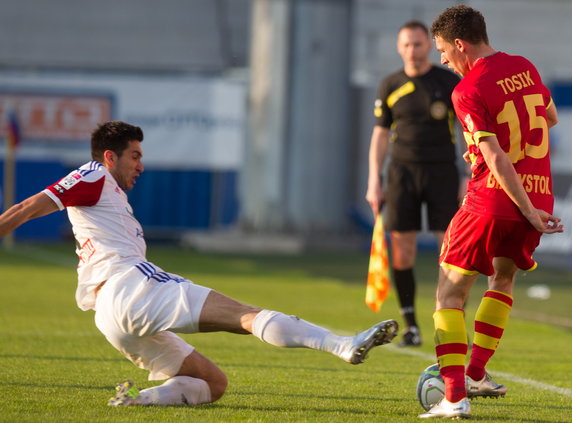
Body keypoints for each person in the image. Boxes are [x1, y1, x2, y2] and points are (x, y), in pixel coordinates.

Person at [0, 120, 399, 406]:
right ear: (110, 156)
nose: (140, 165)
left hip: (111, 317)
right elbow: (24, 206)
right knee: (245, 315)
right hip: (129, 287)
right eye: (134, 156)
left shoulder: (107, 194)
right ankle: (341, 344)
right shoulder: (92, 176)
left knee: (212, 383)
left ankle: (139, 400)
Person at [420, 5, 563, 419]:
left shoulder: (466, 90)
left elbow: (496, 159)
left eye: (444, 51)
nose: (443, 60)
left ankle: (454, 397)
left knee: (449, 292)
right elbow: (549, 118)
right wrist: (534, 211)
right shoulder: (525, 66)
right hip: (538, 195)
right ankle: (477, 373)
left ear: (460, 44)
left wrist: (523, 206)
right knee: (502, 279)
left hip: (492, 201)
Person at [366, 20, 462, 347]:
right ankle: (411, 325)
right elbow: (380, 134)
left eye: (418, 44)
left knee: (449, 251)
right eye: (406, 45)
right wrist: (373, 181)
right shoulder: (390, 84)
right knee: (402, 251)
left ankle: (447, 321)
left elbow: (469, 131)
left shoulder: (448, 82)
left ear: (428, 46)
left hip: (442, 173)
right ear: (398, 47)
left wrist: (467, 176)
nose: (412, 51)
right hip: (402, 173)